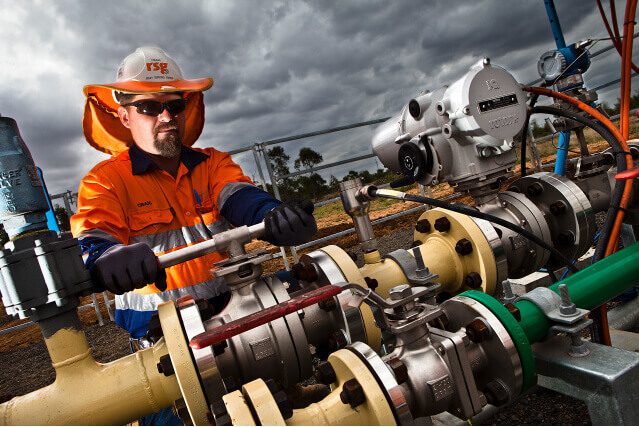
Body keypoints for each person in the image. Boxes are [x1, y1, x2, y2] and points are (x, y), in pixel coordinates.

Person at [71, 47, 317, 423]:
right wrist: (103, 255)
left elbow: (236, 194)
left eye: (175, 104)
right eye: (150, 107)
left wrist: (270, 213)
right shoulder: (105, 181)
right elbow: (94, 230)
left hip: (235, 313)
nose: (166, 116)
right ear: (124, 115)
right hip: (164, 339)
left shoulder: (212, 163)